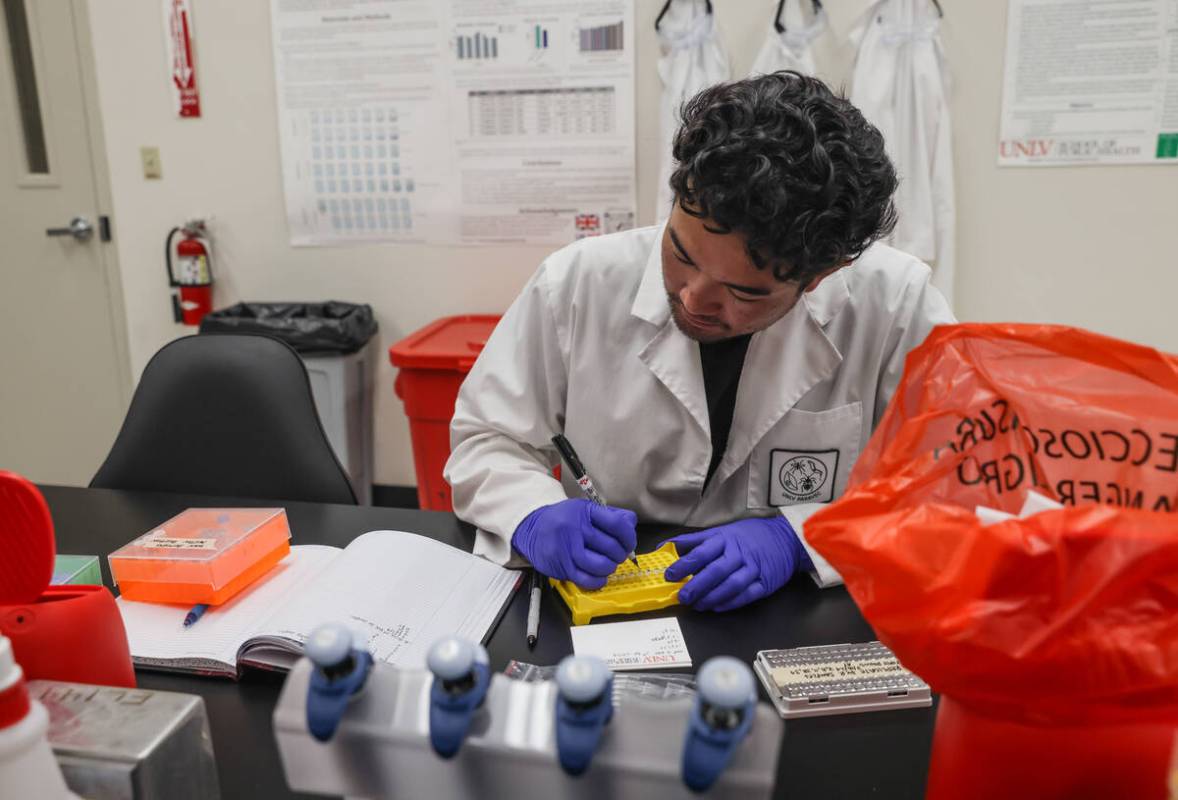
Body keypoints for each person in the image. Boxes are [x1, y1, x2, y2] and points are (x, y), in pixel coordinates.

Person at [444, 71, 955, 612]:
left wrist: (804, 539)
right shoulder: (577, 282)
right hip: (608, 602)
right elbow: (486, 437)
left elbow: (958, 476)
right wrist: (531, 514)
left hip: (803, 612)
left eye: (743, 292)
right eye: (681, 254)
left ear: (822, 274)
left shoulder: (896, 304)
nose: (693, 299)